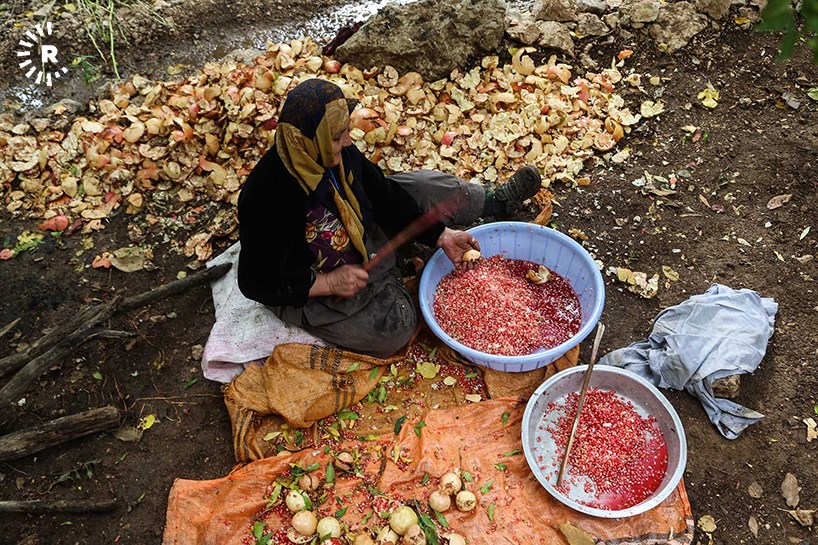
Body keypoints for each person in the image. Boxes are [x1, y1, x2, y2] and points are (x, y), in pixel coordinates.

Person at [237, 79, 541, 358]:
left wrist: (440, 235)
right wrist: (328, 283)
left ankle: (492, 204)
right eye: (336, 136)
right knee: (393, 328)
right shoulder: (267, 198)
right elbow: (256, 283)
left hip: (359, 226)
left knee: (431, 187)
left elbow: (382, 193)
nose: (347, 141)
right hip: (315, 273)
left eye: (345, 131)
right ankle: (399, 273)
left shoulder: (337, 155)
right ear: (307, 140)